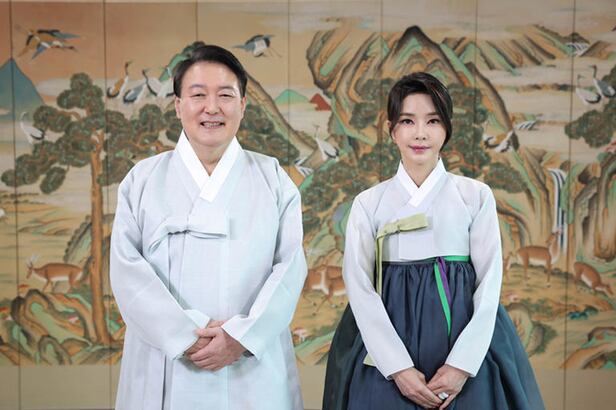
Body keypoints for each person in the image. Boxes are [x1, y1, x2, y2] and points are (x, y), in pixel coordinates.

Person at [323, 72, 544, 410]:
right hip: (384, 354)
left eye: (433, 121)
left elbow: (489, 282)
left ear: (447, 129)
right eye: (407, 121)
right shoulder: (369, 203)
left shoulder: (474, 196)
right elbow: (360, 287)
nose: (420, 133)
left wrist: (461, 366)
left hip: (465, 349)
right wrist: (397, 368)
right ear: (391, 129)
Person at [110, 44, 307, 410]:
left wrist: (241, 336)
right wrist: (185, 335)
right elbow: (126, 273)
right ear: (177, 105)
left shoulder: (273, 179)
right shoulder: (142, 180)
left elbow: (290, 269)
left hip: (250, 361)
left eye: (225, 95)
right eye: (198, 95)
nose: (212, 108)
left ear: (243, 105)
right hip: (165, 360)